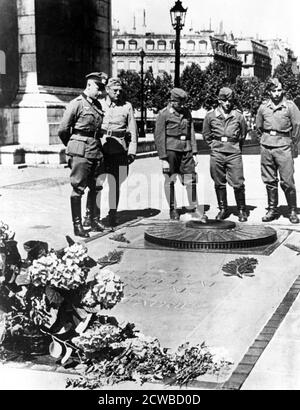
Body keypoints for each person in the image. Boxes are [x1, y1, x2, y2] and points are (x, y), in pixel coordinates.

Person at [58, 72, 108, 237]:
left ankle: (93, 221)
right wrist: (74, 146)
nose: (100, 92)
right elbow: (63, 129)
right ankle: (77, 226)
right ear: (89, 85)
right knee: (78, 188)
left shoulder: (97, 106)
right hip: (81, 151)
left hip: (95, 149)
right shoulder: (76, 104)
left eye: (102, 89)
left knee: (95, 187)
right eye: (98, 88)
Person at [86, 77, 137, 228]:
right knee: (96, 183)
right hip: (101, 149)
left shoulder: (127, 106)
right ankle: (91, 215)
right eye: (115, 90)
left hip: (119, 150)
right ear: (107, 90)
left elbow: (133, 131)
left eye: (120, 90)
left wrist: (132, 152)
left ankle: (113, 214)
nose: (118, 93)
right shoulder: (99, 104)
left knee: (115, 185)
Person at [154, 87, 207, 222]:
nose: (182, 106)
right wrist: (163, 158)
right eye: (180, 103)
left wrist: (194, 152)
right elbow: (159, 136)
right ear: (172, 101)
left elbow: (192, 132)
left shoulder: (186, 113)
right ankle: (173, 209)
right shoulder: (164, 114)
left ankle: (194, 208)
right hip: (170, 151)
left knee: (191, 179)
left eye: (184, 103)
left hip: (186, 150)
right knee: (170, 180)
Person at [256, 77, 300, 224]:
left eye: (279, 90)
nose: (276, 93)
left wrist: (292, 144)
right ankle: (272, 209)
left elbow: (297, 127)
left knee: (287, 181)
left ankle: (292, 210)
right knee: (269, 180)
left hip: (284, 146)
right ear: (269, 91)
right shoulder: (263, 107)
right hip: (267, 146)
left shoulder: (290, 106)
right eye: (274, 91)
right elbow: (258, 127)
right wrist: (264, 141)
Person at [202, 87, 248, 222]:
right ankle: (223, 209)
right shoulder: (210, 116)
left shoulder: (238, 115)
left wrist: (235, 147)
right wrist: (214, 147)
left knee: (238, 182)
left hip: (234, 152)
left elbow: (243, 134)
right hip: (217, 153)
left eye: (230, 100)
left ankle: (241, 209)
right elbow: (206, 134)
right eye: (224, 100)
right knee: (218, 181)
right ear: (219, 100)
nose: (227, 103)